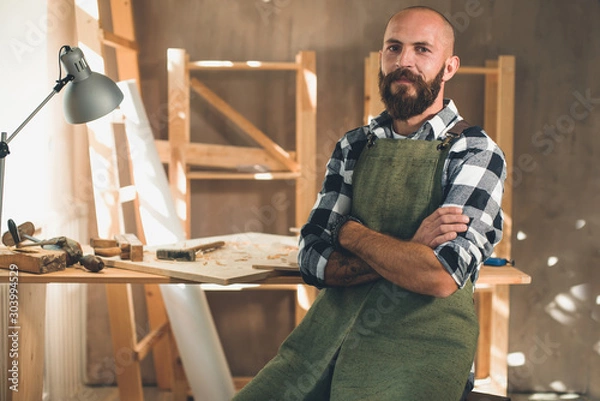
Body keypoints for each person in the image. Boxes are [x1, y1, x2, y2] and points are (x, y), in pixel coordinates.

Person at [233, 5, 506, 401]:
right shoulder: (354, 145)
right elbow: (312, 258)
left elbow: (440, 276)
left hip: (421, 350)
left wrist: (349, 232)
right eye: (393, 48)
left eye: (421, 50)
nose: (403, 62)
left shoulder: (476, 152)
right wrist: (411, 249)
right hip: (325, 342)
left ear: (449, 67)